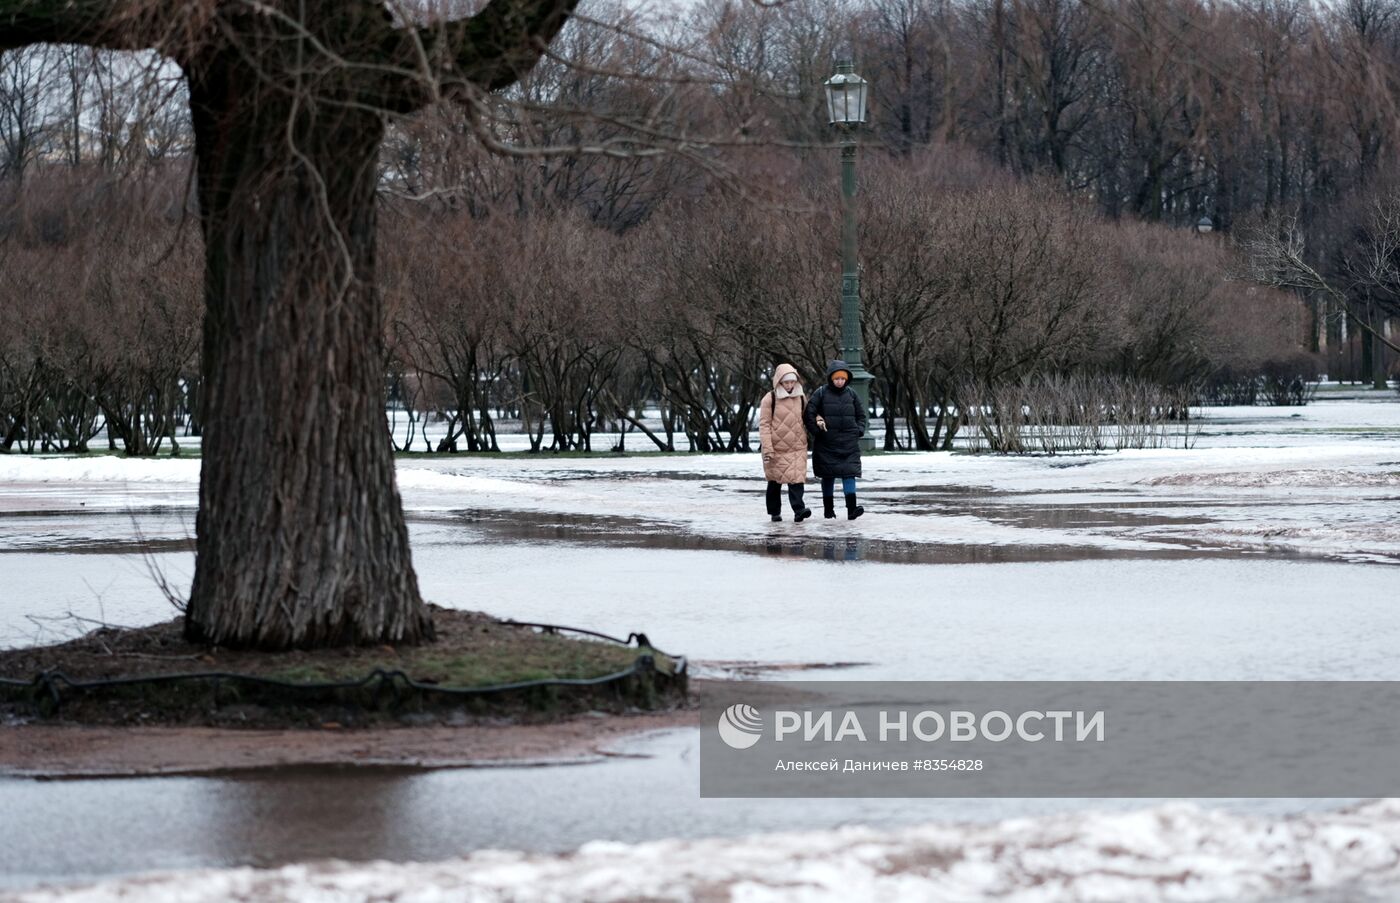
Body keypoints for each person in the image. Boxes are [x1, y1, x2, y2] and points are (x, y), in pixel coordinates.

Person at [804, 359, 866, 520]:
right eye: (837, 378)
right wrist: (816, 431)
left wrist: (858, 431)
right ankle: (828, 510)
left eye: (843, 379)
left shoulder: (852, 394)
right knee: (828, 475)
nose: (840, 381)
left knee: (849, 474)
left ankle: (852, 509)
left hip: (848, 443)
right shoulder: (821, 393)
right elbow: (809, 413)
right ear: (831, 378)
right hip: (827, 443)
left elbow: (861, 415)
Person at [758, 363, 813, 522]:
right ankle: (775, 512)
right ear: (779, 382)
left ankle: (799, 510)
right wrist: (767, 448)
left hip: (797, 446)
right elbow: (764, 424)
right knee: (775, 482)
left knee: (796, 479)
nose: (789, 385)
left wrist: (819, 419)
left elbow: (808, 415)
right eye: (786, 382)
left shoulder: (801, 397)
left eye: (792, 382)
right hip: (776, 448)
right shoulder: (770, 398)